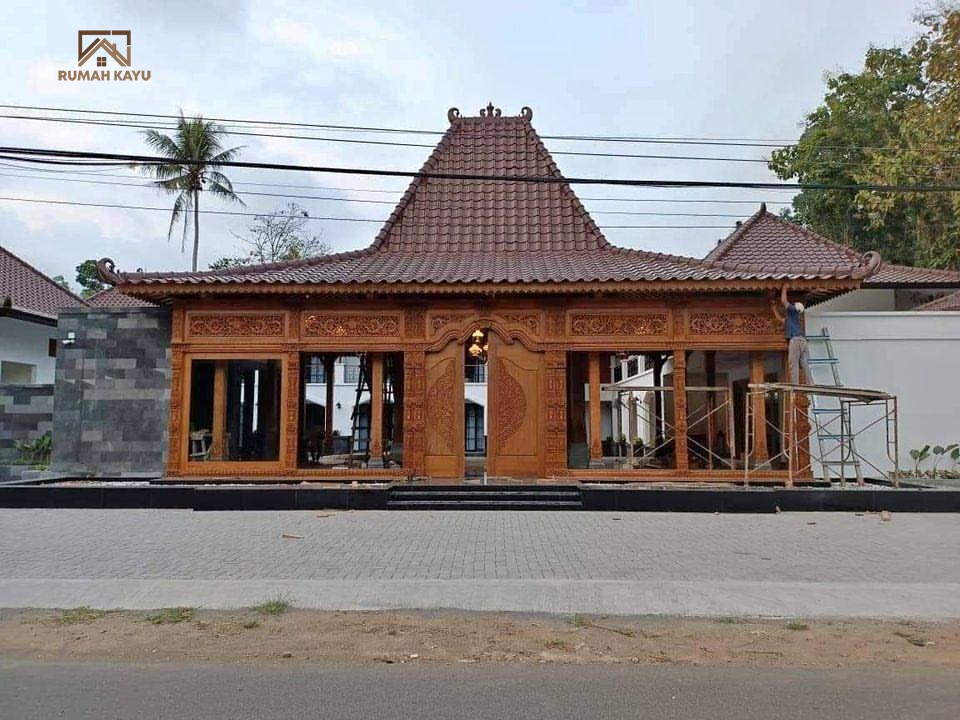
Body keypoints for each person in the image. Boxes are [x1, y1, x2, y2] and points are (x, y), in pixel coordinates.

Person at [771, 285, 811, 384]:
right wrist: (774, 308)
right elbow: (781, 319)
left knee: (793, 363)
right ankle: (811, 384)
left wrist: (784, 288)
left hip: (795, 340)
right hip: (803, 341)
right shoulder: (793, 319)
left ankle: (795, 385)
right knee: (805, 364)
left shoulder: (793, 311)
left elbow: (784, 301)